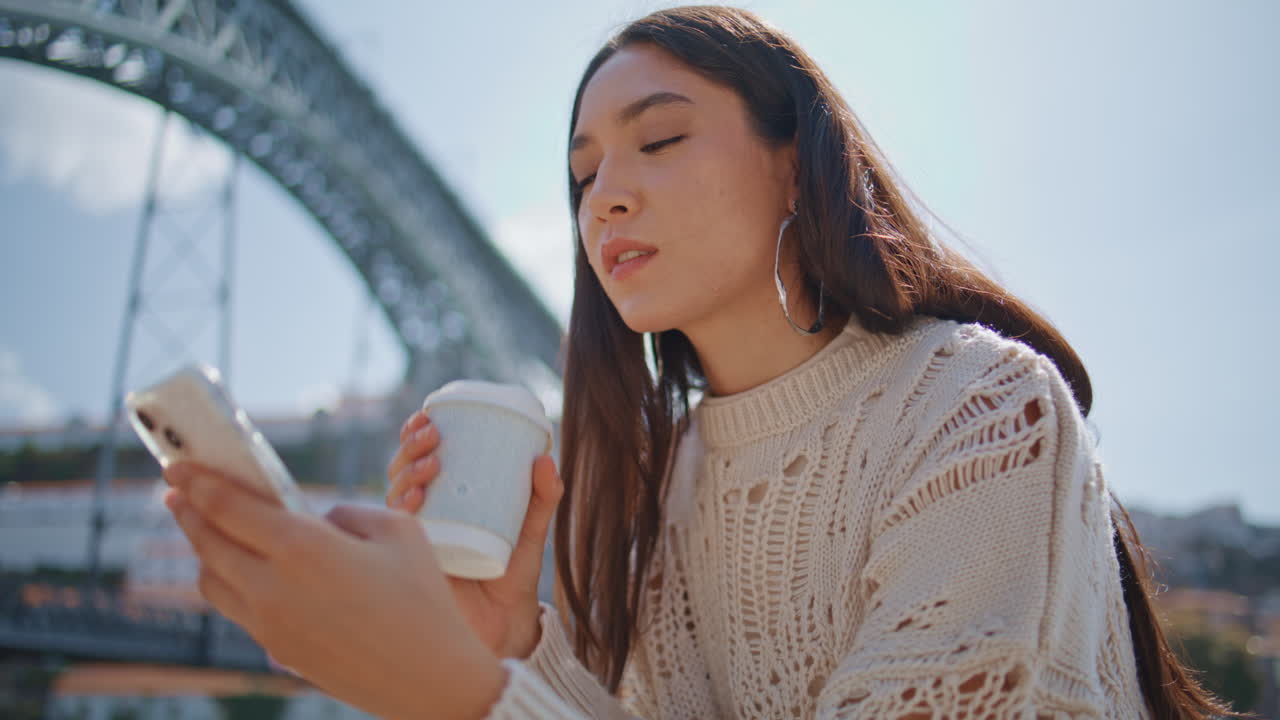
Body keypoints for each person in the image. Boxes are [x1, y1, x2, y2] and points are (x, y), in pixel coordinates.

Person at [162, 6, 1241, 719]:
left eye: (660, 139)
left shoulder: (976, 409)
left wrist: (460, 694)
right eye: (582, 175)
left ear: (792, 167)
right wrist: (510, 645)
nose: (606, 197)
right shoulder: (642, 494)